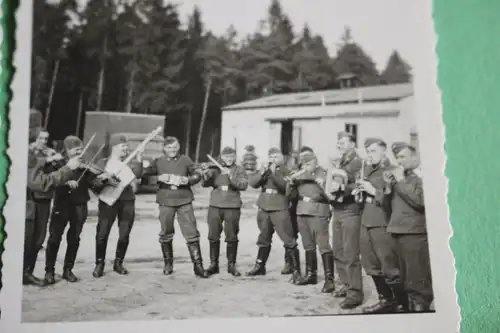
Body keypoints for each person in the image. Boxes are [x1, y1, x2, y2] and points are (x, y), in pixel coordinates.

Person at [43, 136, 112, 285]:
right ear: (67, 151)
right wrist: (66, 182)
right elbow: (50, 181)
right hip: (62, 204)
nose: (80, 152)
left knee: (74, 238)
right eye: (76, 149)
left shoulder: (84, 166)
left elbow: (94, 185)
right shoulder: (59, 165)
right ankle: (49, 270)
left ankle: (68, 269)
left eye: (81, 149)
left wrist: (103, 179)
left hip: (80, 204)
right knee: (55, 237)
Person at [353, 138, 406, 313]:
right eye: (368, 152)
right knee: (370, 264)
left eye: (374, 151)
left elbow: (393, 200)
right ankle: (386, 300)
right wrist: (358, 193)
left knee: (389, 266)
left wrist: (371, 190)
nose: (370, 155)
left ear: (384, 152)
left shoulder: (391, 171)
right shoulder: (367, 171)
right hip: (366, 221)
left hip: (382, 222)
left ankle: (402, 304)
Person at [148, 136, 208, 278]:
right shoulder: (158, 161)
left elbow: (197, 174)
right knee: (166, 233)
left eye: (175, 147)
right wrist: (157, 178)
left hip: (184, 200)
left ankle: (198, 267)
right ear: (164, 148)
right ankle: (168, 264)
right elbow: (145, 176)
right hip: (165, 201)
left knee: (191, 233)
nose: (172, 150)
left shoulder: (186, 160)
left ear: (179, 146)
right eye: (169, 147)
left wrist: (188, 179)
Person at [385, 142, 433, 312]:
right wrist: (388, 187)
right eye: (397, 157)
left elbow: (421, 201)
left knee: (417, 281)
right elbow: (389, 206)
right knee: (403, 278)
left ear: (415, 158)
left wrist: (399, 182)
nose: (399, 161)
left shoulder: (422, 176)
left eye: (403, 157)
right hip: (398, 232)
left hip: (414, 233)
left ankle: (421, 312)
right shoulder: (402, 178)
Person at [24, 148, 83, 286]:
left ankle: (27, 273)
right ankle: (33, 272)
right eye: (40, 139)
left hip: (44, 202)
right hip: (33, 203)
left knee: (38, 239)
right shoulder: (29, 158)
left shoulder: (43, 159)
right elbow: (41, 183)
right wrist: (67, 169)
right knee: (30, 240)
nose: (43, 144)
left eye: (45, 139)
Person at [246, 148, 301, 283]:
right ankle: (260, 265)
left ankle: (296, 270)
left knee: (288, 238)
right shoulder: (264, 170)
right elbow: (253, 183)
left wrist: (273, 173)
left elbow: (284, 187)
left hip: (279, 207)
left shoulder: (287, 171)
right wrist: (263, 172)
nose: (273, 159)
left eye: (276, 156)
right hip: (264, 206)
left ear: (282, 158)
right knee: (263, 237)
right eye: (271, 156)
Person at [92, 134, 143, 278]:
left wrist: (139, 157)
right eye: (123, 146)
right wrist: (104, 179)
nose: (126, 149)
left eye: (127, 146)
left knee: (124, 234)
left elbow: (138, 177)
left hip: (127, 199)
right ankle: (99, 263)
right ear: (114, 147)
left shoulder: (130, 163)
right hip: (108, 200)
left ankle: (118, 262)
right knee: (102, 233)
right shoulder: (103, 162)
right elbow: (93, 183)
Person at [288, 150, 335, 293]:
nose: (307, 166)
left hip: (318, 211)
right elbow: (290, 195)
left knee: (323, 245)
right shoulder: (298, 174)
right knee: (308, 245)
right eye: (304, 164)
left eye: (310, 163)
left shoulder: (323, 173)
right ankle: (311, 275)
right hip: (302, 210)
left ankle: (329, 279)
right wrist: (291, 183)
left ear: (316, 162)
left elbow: (329, 194)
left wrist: (319, 182)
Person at [200, 147, 248, 277]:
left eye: (231, 156)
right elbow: (205, 184)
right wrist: (204, 173)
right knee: (213, 235)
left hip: (232, 206)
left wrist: (230, 175)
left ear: (235, 157)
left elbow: (243, 185)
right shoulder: (215, 169)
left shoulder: (239, 170)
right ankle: (213, 264)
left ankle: (231, 265)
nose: (228, 159)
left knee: (232, 235)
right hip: (215, 205)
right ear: (221, 157)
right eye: (226, 157)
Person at [330, 131, 364, 309]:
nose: (339, 145)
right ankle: (345, 284)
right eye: (338, 142)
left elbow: (358, 185)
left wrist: (341, 187)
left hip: (351, 210)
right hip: (338, 209)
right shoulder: (340, 161)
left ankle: (355, 293)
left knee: (350, 254)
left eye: (343, 142)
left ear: (352, 144)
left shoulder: (357, 161)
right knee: (338, 251)